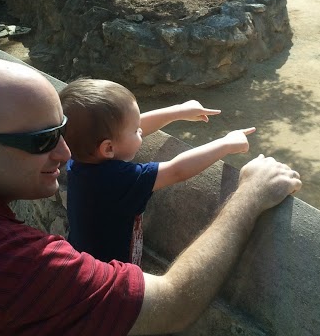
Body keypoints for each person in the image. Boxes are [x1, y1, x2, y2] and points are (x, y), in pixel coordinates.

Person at [0, 58, 301, 336]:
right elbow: (174, 304)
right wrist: (249, 196)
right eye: (42, 141)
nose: (66, 153)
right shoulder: (8, 264)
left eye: (63, 132)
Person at [59, 78, 255, 266]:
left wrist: (178, 111)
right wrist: (227, 143)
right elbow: (177, 170)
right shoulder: (120, 179)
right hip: (112, 276)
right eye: (136, 130)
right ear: (108, 148)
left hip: (85, 259)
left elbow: (122, 131)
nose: (141, 130)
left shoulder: (79, 160)